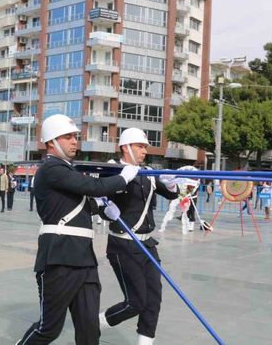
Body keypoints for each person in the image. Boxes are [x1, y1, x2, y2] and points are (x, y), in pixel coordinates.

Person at [16, 114, 137, 345]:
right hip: (58, 259)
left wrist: (105, 208)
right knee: (49, 328)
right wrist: (123, 178)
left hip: (84, 260)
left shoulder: (69, 171)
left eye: (75, 137)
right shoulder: (51, 169)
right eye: (68, 137)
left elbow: (87, 202)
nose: (74, 141)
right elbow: (92, 186)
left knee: (89, 329)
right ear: (51, 142)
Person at [99, 128, 179, 345]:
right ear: (126, 147)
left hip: (147, 245)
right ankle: (95, 324)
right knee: (135, 302)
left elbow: (171, 193)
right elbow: (98, 198)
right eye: (140, 146)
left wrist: (172, 183)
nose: (144, 151)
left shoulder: (147, 174)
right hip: (123, 244)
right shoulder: (112, 170)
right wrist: (105, 210)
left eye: (145, 147)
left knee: (153, 299)